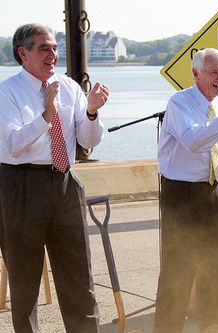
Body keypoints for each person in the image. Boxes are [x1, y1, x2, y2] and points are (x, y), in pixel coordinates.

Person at [0, 23, 109, 332]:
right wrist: (46, 115)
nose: (53, 54)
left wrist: (91, 112)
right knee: (25, 277)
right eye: (44, 48)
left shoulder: (70, 87)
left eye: (55, 48)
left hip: (64, 182)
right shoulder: (6, 92)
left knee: (78, 272)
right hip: (21, 184)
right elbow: (13, 144)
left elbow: (88, 141)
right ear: (24, 53)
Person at [155, 48, 218, 332]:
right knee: (179, 268)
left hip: (215, 187)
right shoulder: (179, 102)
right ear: (196, 74)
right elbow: (194, 141)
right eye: (214, 72)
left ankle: (211, 325)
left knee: (217, 264)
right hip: (182, 193)